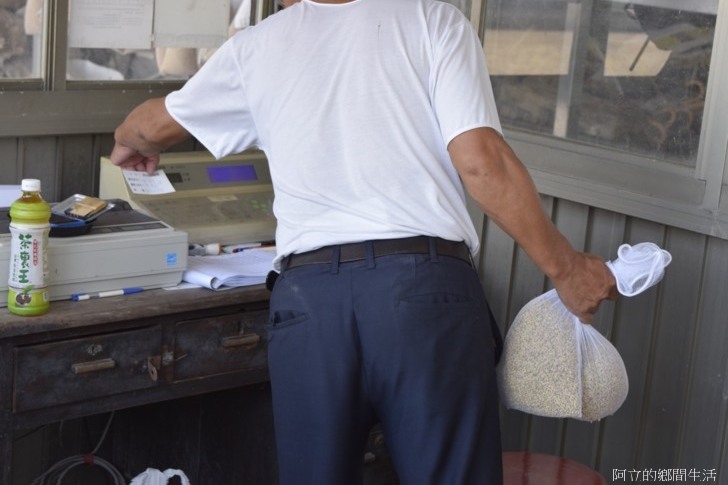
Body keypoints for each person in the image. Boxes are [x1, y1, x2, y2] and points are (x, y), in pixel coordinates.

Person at [110, 0, 617, 483]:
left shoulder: (257, 47)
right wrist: (567, 268)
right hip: (423, 297)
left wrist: (128, 141)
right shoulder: (432, 21)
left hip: (311, 308)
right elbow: (481, 162)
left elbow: (150, 127)